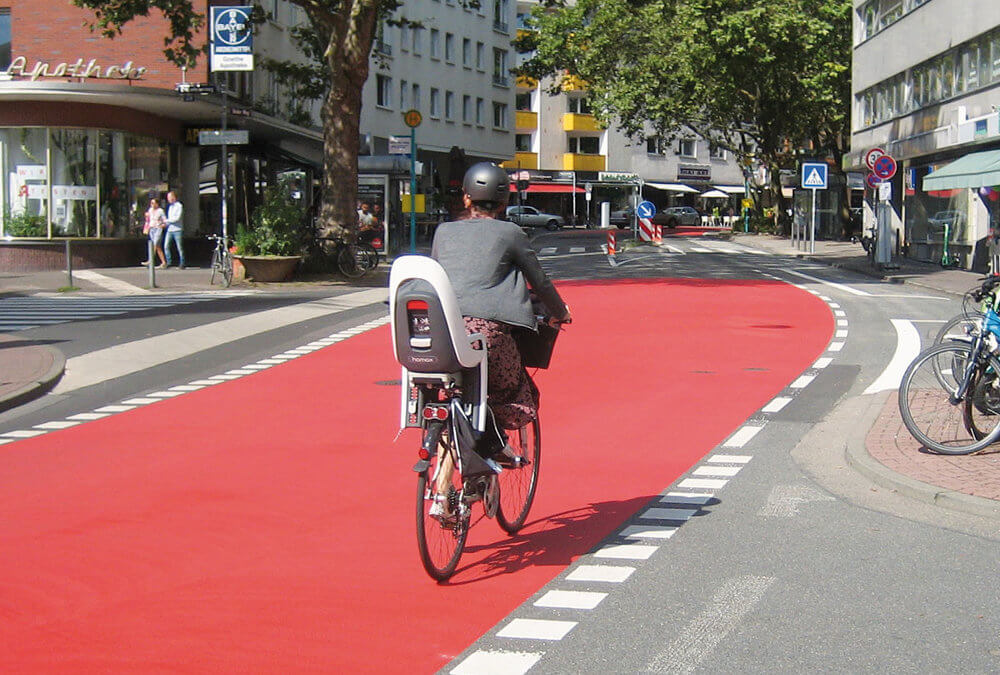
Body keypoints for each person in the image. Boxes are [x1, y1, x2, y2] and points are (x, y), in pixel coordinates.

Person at [431, 162, 572, 465]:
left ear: (466, 198)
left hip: (439, 334)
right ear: (504, 201)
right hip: (484, 336)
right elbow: (540, 282)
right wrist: (560, 312)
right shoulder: (511, 232)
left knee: (449, 396)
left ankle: (443, 483)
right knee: (515, 390)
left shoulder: (443, 232)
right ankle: (496, 447)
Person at [141, 196, 167, 269]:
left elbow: (165, 220)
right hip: (152, 228)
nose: (151, 204)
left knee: (155, 244)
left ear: (157, 204)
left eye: (153, 203)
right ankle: (163, 262)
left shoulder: (160, 211)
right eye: (151, 203)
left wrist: (162, 225)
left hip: (158, 228)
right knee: (157, 246)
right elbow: (148, 219)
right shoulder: (150, 210)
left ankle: (150, 260)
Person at [163, 190, 185, 269]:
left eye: (169, 197)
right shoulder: (170, 207)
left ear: (174, 197)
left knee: (179, 247)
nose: (168, 199)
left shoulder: (179, 206)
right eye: (168, 197)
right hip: (170, 229)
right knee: (166, 246)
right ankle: (169, 262)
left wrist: (166, 221)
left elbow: (177, 218)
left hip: (177, 229)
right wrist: (165, 224)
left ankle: (182, 262)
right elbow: (170, 219)